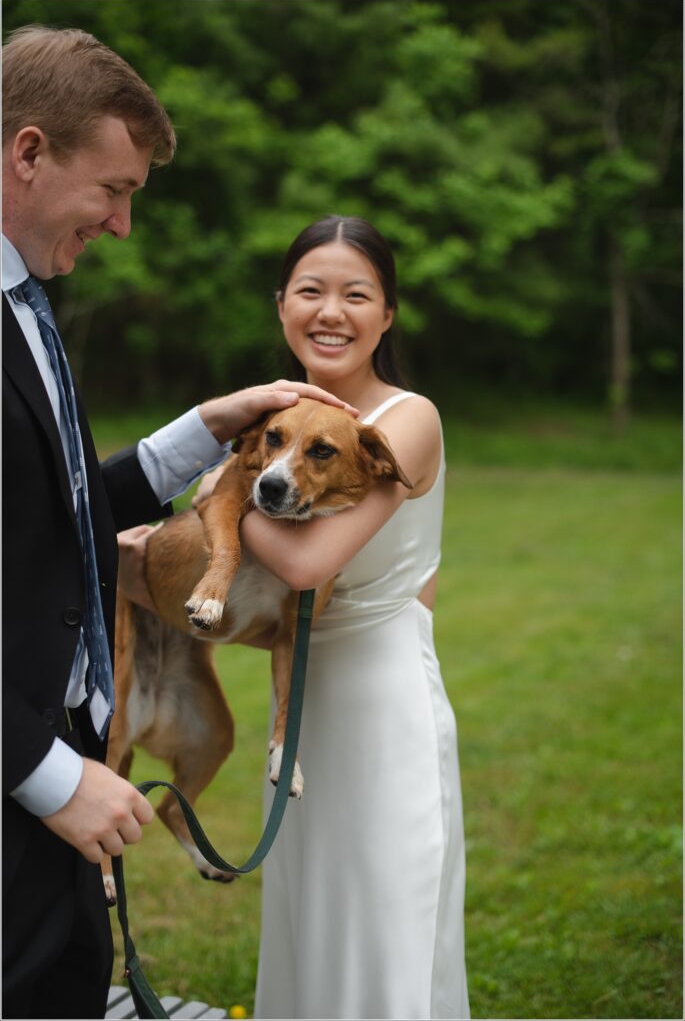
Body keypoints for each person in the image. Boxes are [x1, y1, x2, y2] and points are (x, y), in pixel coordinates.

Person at [1, 26, 354, 1020]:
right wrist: (45, 776)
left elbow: (45, 517)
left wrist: (200, 435)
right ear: (29, 152)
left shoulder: (27, 297)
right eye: (112, 190)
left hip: (62, 750)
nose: (120, 225)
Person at [239, 215, 470, 1019]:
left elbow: (305, 564)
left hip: (381, 708)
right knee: (309, 928)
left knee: (384, 932)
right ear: (281, 307)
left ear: (387, 314)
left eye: (355, 294)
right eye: (310, 290)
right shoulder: (276, 425)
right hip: (296, 712)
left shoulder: (406, 420)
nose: (329, 311)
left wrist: (223, 493)